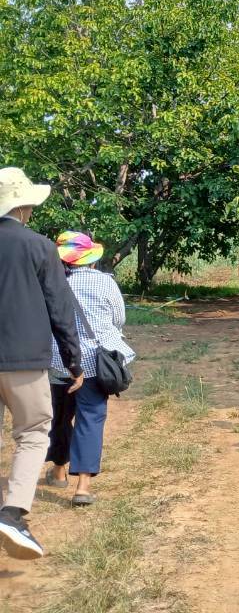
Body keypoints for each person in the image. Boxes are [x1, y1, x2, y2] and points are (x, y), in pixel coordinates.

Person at [0, 168, 83, 560]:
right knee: (34, 431)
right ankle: (13, 513)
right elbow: (60, 307)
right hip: (22, 358)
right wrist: (73, 360)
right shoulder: (37, 246)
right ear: (24, 205)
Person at [45, 231, 134, 506]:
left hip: (59, 363)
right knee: (91, 419)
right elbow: (119, 319)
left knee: (59, 417)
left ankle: (59, 471)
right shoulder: (105, 283)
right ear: (91, 260)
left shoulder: (47, 284)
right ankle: (82, 487)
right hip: (96, 364)